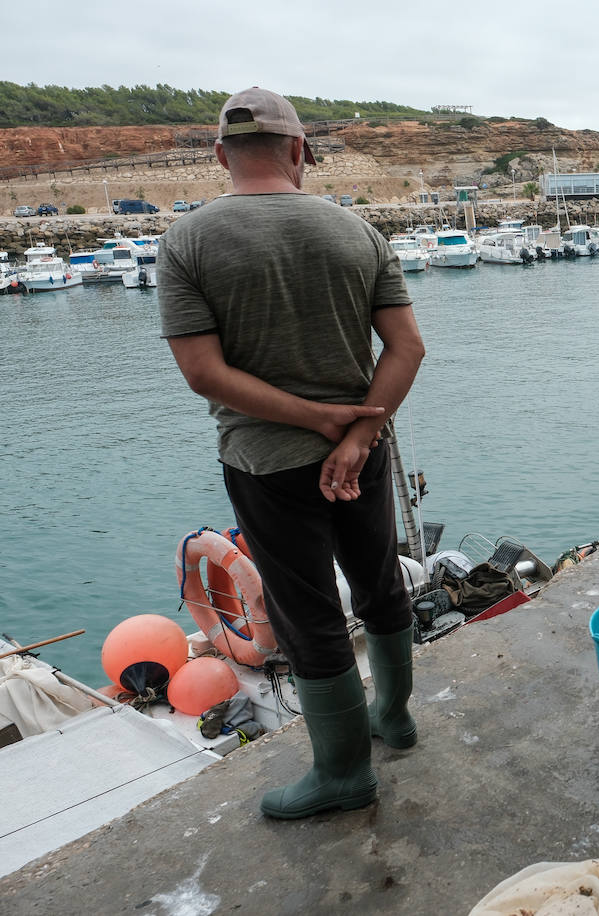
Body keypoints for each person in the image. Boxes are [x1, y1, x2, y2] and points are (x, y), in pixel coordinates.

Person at [159, 88, 427, 819]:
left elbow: (203, 374)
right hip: (362, 453)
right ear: (300, 151)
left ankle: (343, 773)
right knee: (379, 584)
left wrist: (312, 420)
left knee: (307, 614)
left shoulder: (187, 241)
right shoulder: (359, 232)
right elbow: (407, 348)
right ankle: (395, 718)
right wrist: (356, 433)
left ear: (220, 155)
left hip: (264, 464)